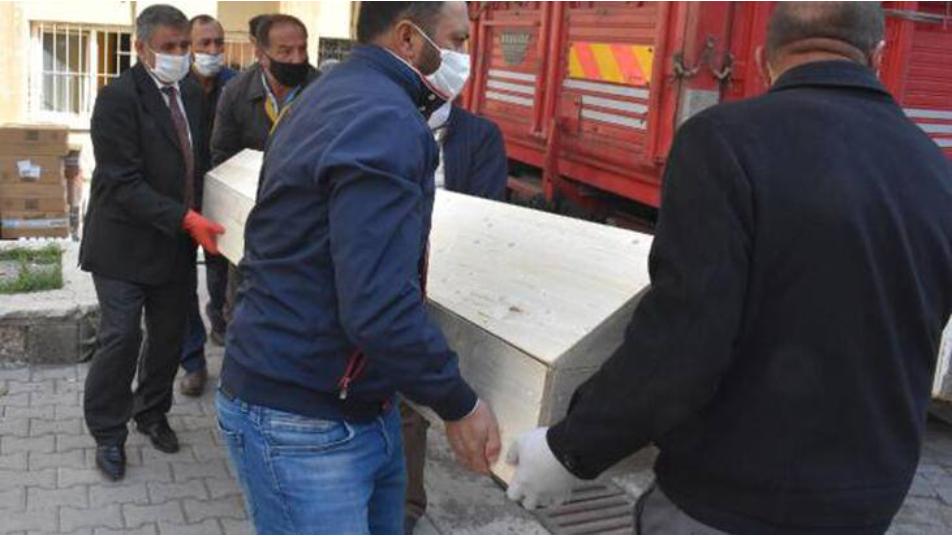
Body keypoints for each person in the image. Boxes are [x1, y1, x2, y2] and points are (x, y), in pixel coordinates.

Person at [506, 2, 952, 534]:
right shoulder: (935, 170)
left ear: (763, 60)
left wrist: (570, 450)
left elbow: (683, 339)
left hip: (728, 504)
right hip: (866, 506)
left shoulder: (723, 142)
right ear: (877, 56)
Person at [216, 2, 501, 533]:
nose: (466, 55)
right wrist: (459, 404)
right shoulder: (385, 119)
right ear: (408, 39)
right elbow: (377, 305)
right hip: (307, 420)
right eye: (458, 40)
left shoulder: (328, 93)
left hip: (348, 400)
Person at [80, 4, 223, 481]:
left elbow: (195, 162)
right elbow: (122, 182)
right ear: (141, 48)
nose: (179, 55)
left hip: (174, 244)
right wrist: (185, 217)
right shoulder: (117, 98)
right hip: (122, 244)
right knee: (122, 336)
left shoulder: (190, 93)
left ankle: (152, 413)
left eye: (184, 46)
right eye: (169, 47)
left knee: (167, 336)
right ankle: (108, 432)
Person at [403, 101, 508, 532]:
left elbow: (487, 215)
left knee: (415, 395)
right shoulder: (388, 123)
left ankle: (406, 506)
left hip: (450, 274)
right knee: (399, 392)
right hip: (399, 277)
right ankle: (399, 500)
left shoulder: (480, 135)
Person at [210, 13, 319, 325]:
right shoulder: (235, 93)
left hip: (307, 225)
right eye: (285, 51)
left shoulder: (323, 90)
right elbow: (222, 156)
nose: (296, 59)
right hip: (251, 222)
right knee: (244, 310)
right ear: (260, 53)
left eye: (302, 49)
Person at [177, 14, 237, 397]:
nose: (213, 51)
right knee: (183, 283)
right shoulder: (174, 89)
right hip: (182, 201)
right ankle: (193, 362)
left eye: (218, 43)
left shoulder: (236, 86)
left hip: (224, 201)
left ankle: (221, 326)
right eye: (204, 44)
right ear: (189, 47)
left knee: (223, 278)